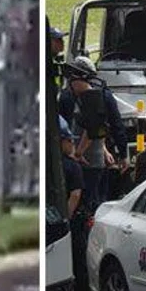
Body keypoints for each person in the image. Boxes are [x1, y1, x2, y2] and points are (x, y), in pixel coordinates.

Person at [59, 57, 128, 206]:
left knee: (88, 202)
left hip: (87, 161)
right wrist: (109, 151)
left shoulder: (87, 99)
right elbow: (108, 126)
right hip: (90, 158)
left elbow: (95, 127)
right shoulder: (100, 94)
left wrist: (77, 153)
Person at [60, 116, 94, 291]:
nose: (72, 145)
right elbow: (75, 195)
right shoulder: (72, 166)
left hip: (58, 222)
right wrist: (66, 218)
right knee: (79, 269)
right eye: (69, 141)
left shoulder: (57, 164)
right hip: (71, 224)